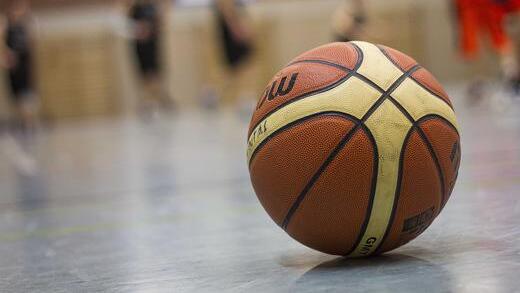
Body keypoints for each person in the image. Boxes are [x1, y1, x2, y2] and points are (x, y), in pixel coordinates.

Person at [454, 0, 520, 97]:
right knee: (472, 44)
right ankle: (478, 81)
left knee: (500, 41)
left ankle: (509, 76)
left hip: (493, 8)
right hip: (472, 8)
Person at [129, 0, 173, 117]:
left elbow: (161, 22)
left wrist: (153, 27)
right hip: (140, 46)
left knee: (156, 74)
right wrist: (139, 30)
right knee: (144, 76)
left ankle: (162, 100)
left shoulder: (153, 8)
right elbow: (128, 24)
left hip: (152, 45)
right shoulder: (134, 8)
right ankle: (147, 103)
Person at [2, 0, 38, 132]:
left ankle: (28, 123)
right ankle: (22, 123)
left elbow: (32, 44)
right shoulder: (5, 24)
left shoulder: (27, 24)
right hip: (13, 67)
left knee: (27, 96)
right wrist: (5, 56)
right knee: (16, 96)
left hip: (24, 65)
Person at [212, 0, 254, 108]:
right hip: (230, 30)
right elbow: (226, 8)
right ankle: (221, 96)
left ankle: (240, 97)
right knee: (235, 67)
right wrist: (236, 29)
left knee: (238, 67)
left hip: (230, 27)